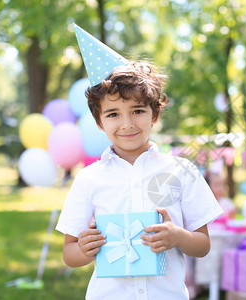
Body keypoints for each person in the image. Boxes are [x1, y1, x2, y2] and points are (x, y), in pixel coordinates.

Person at [56, 24, 223, 300]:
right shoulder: (89, 178)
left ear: (154, 114)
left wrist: (178, 237)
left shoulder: (182, 171)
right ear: (99, 122)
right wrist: (84, 248)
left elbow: (202, 244)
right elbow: (69, 253)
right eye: (113, 114)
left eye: (137, 111)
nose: (127, 124)